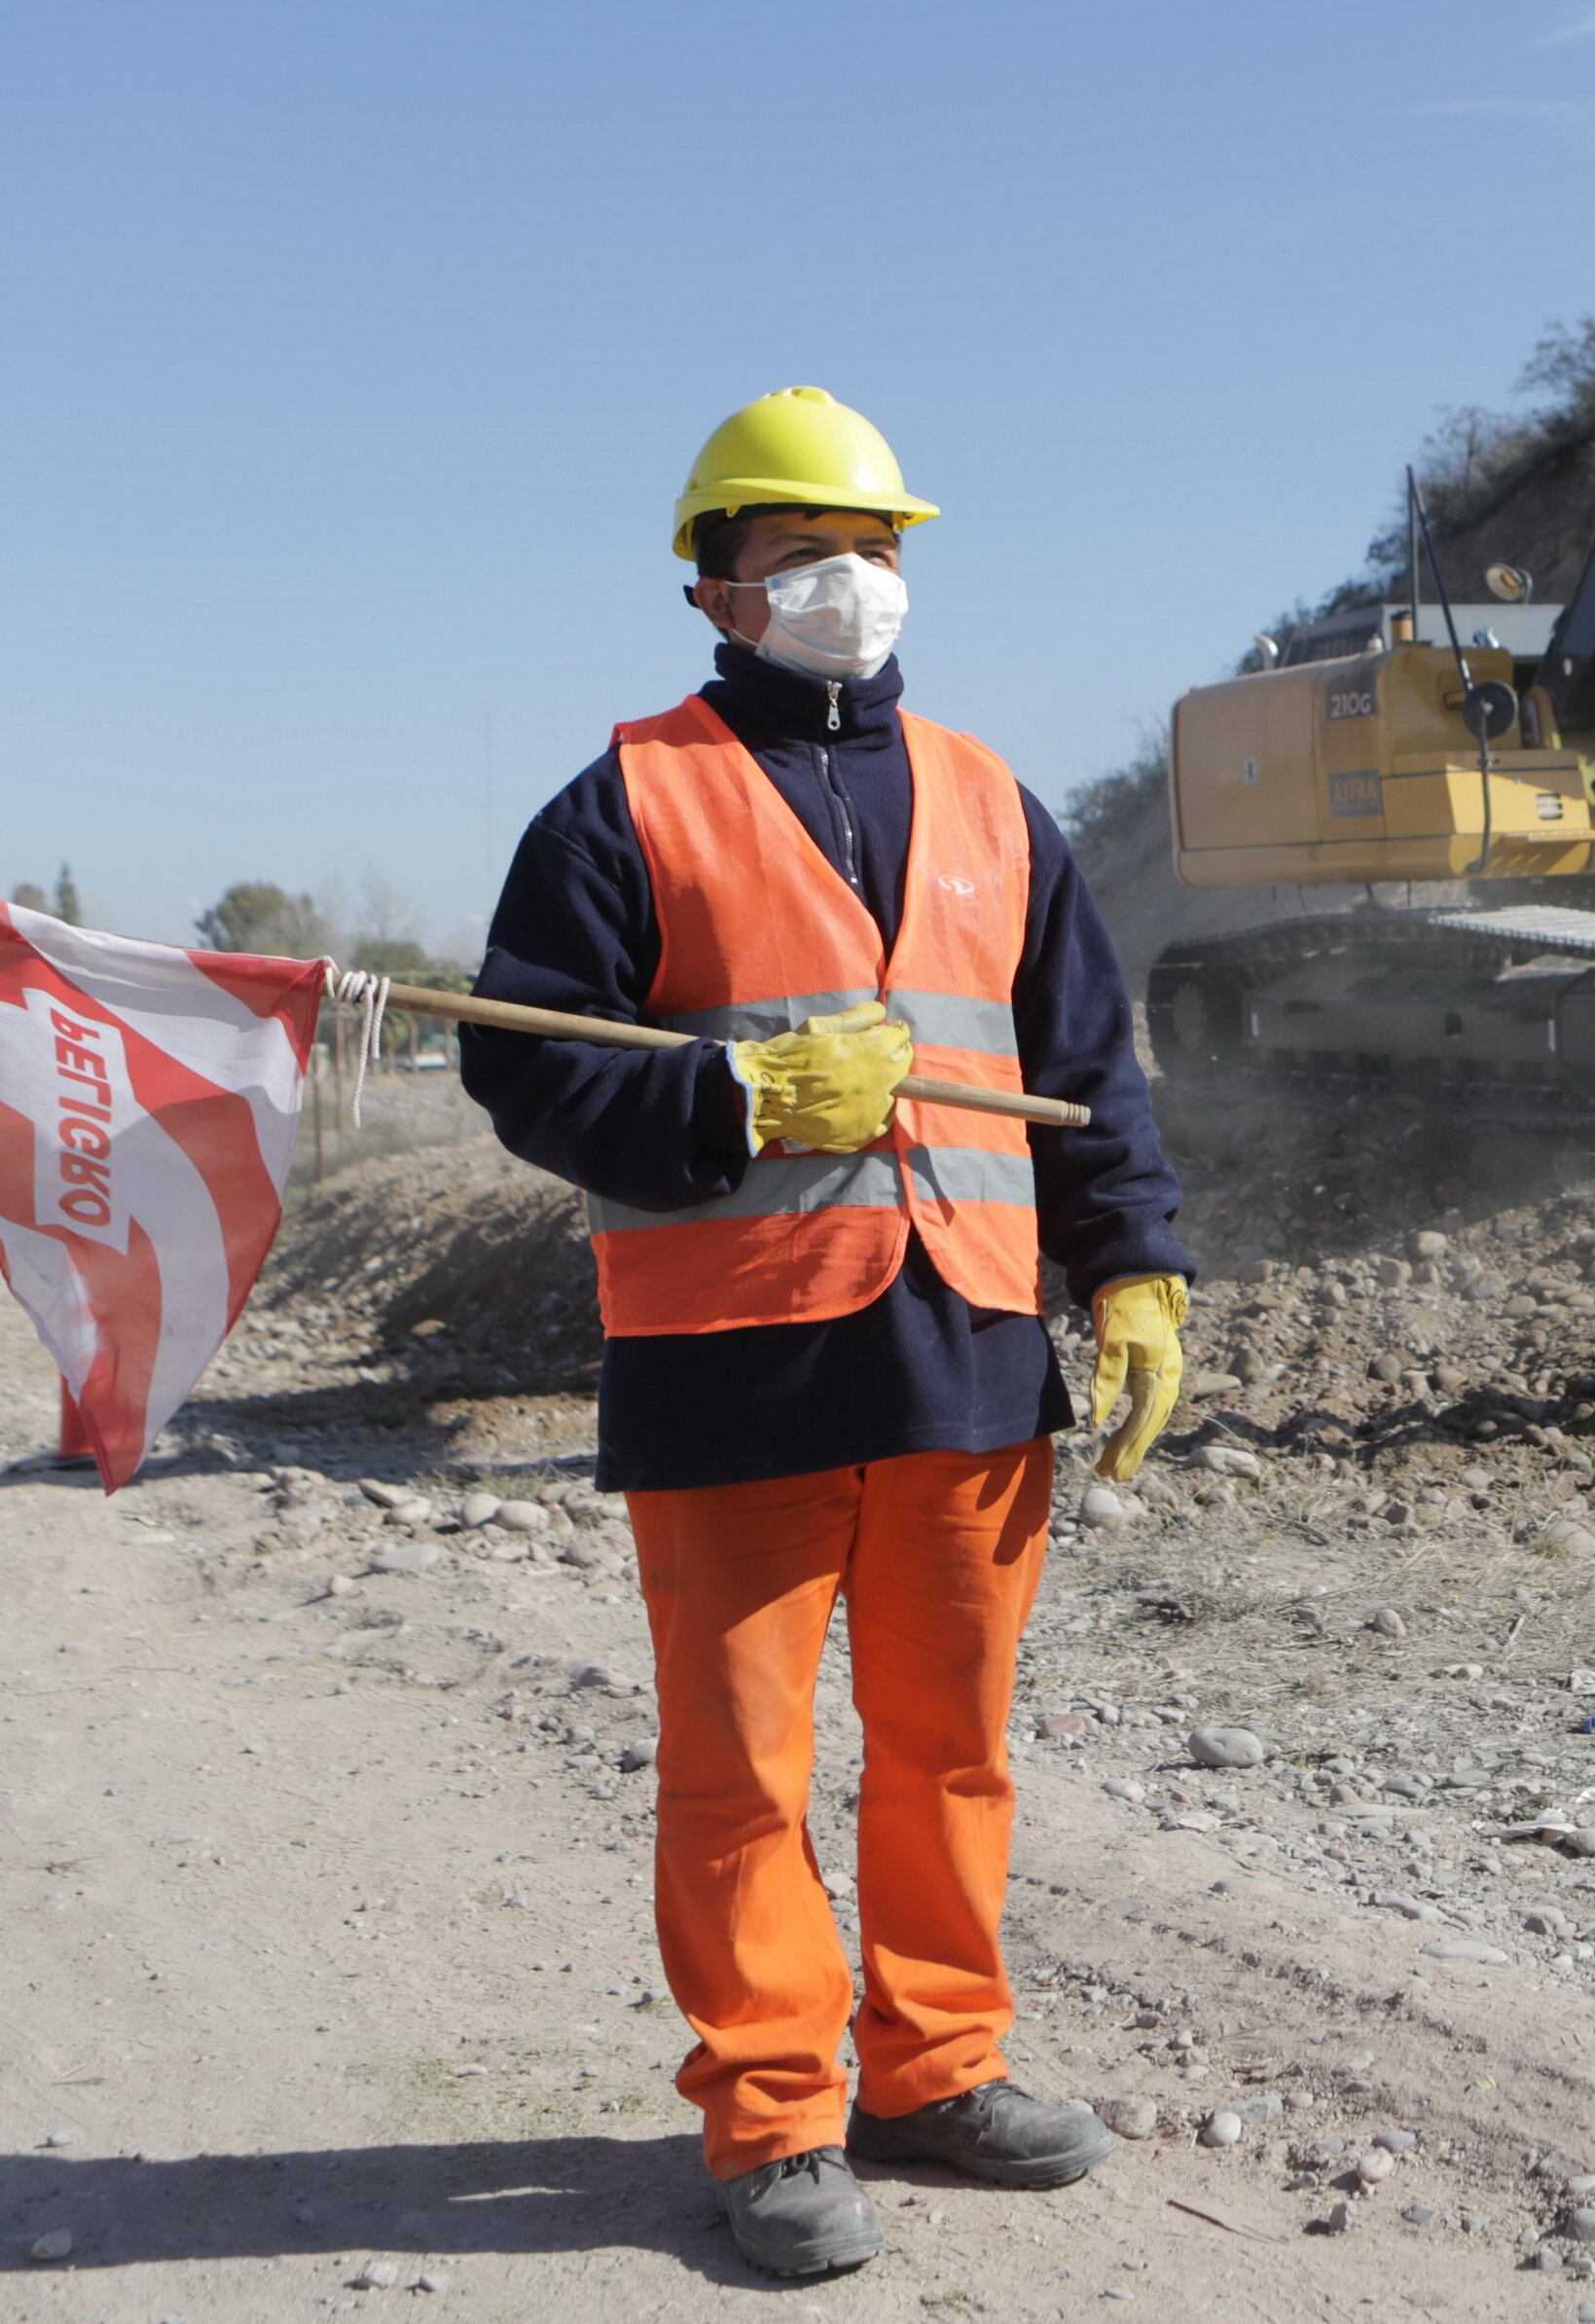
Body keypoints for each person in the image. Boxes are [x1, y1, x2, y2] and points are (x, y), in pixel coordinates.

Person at [461, 385, 1195, 2278]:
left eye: (867, 550)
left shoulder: (987, 797)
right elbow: (524, 1063)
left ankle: (936, 2071)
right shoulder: (625, 799)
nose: (842, 584)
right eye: (797, 554)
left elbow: (1085, 1069)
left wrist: (1132, 1270)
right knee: (741, 1772)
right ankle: (774, 2123)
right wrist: (732, 1103)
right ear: (714, 587)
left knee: (952, 1749)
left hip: (965, 1351)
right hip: (737, 1361)